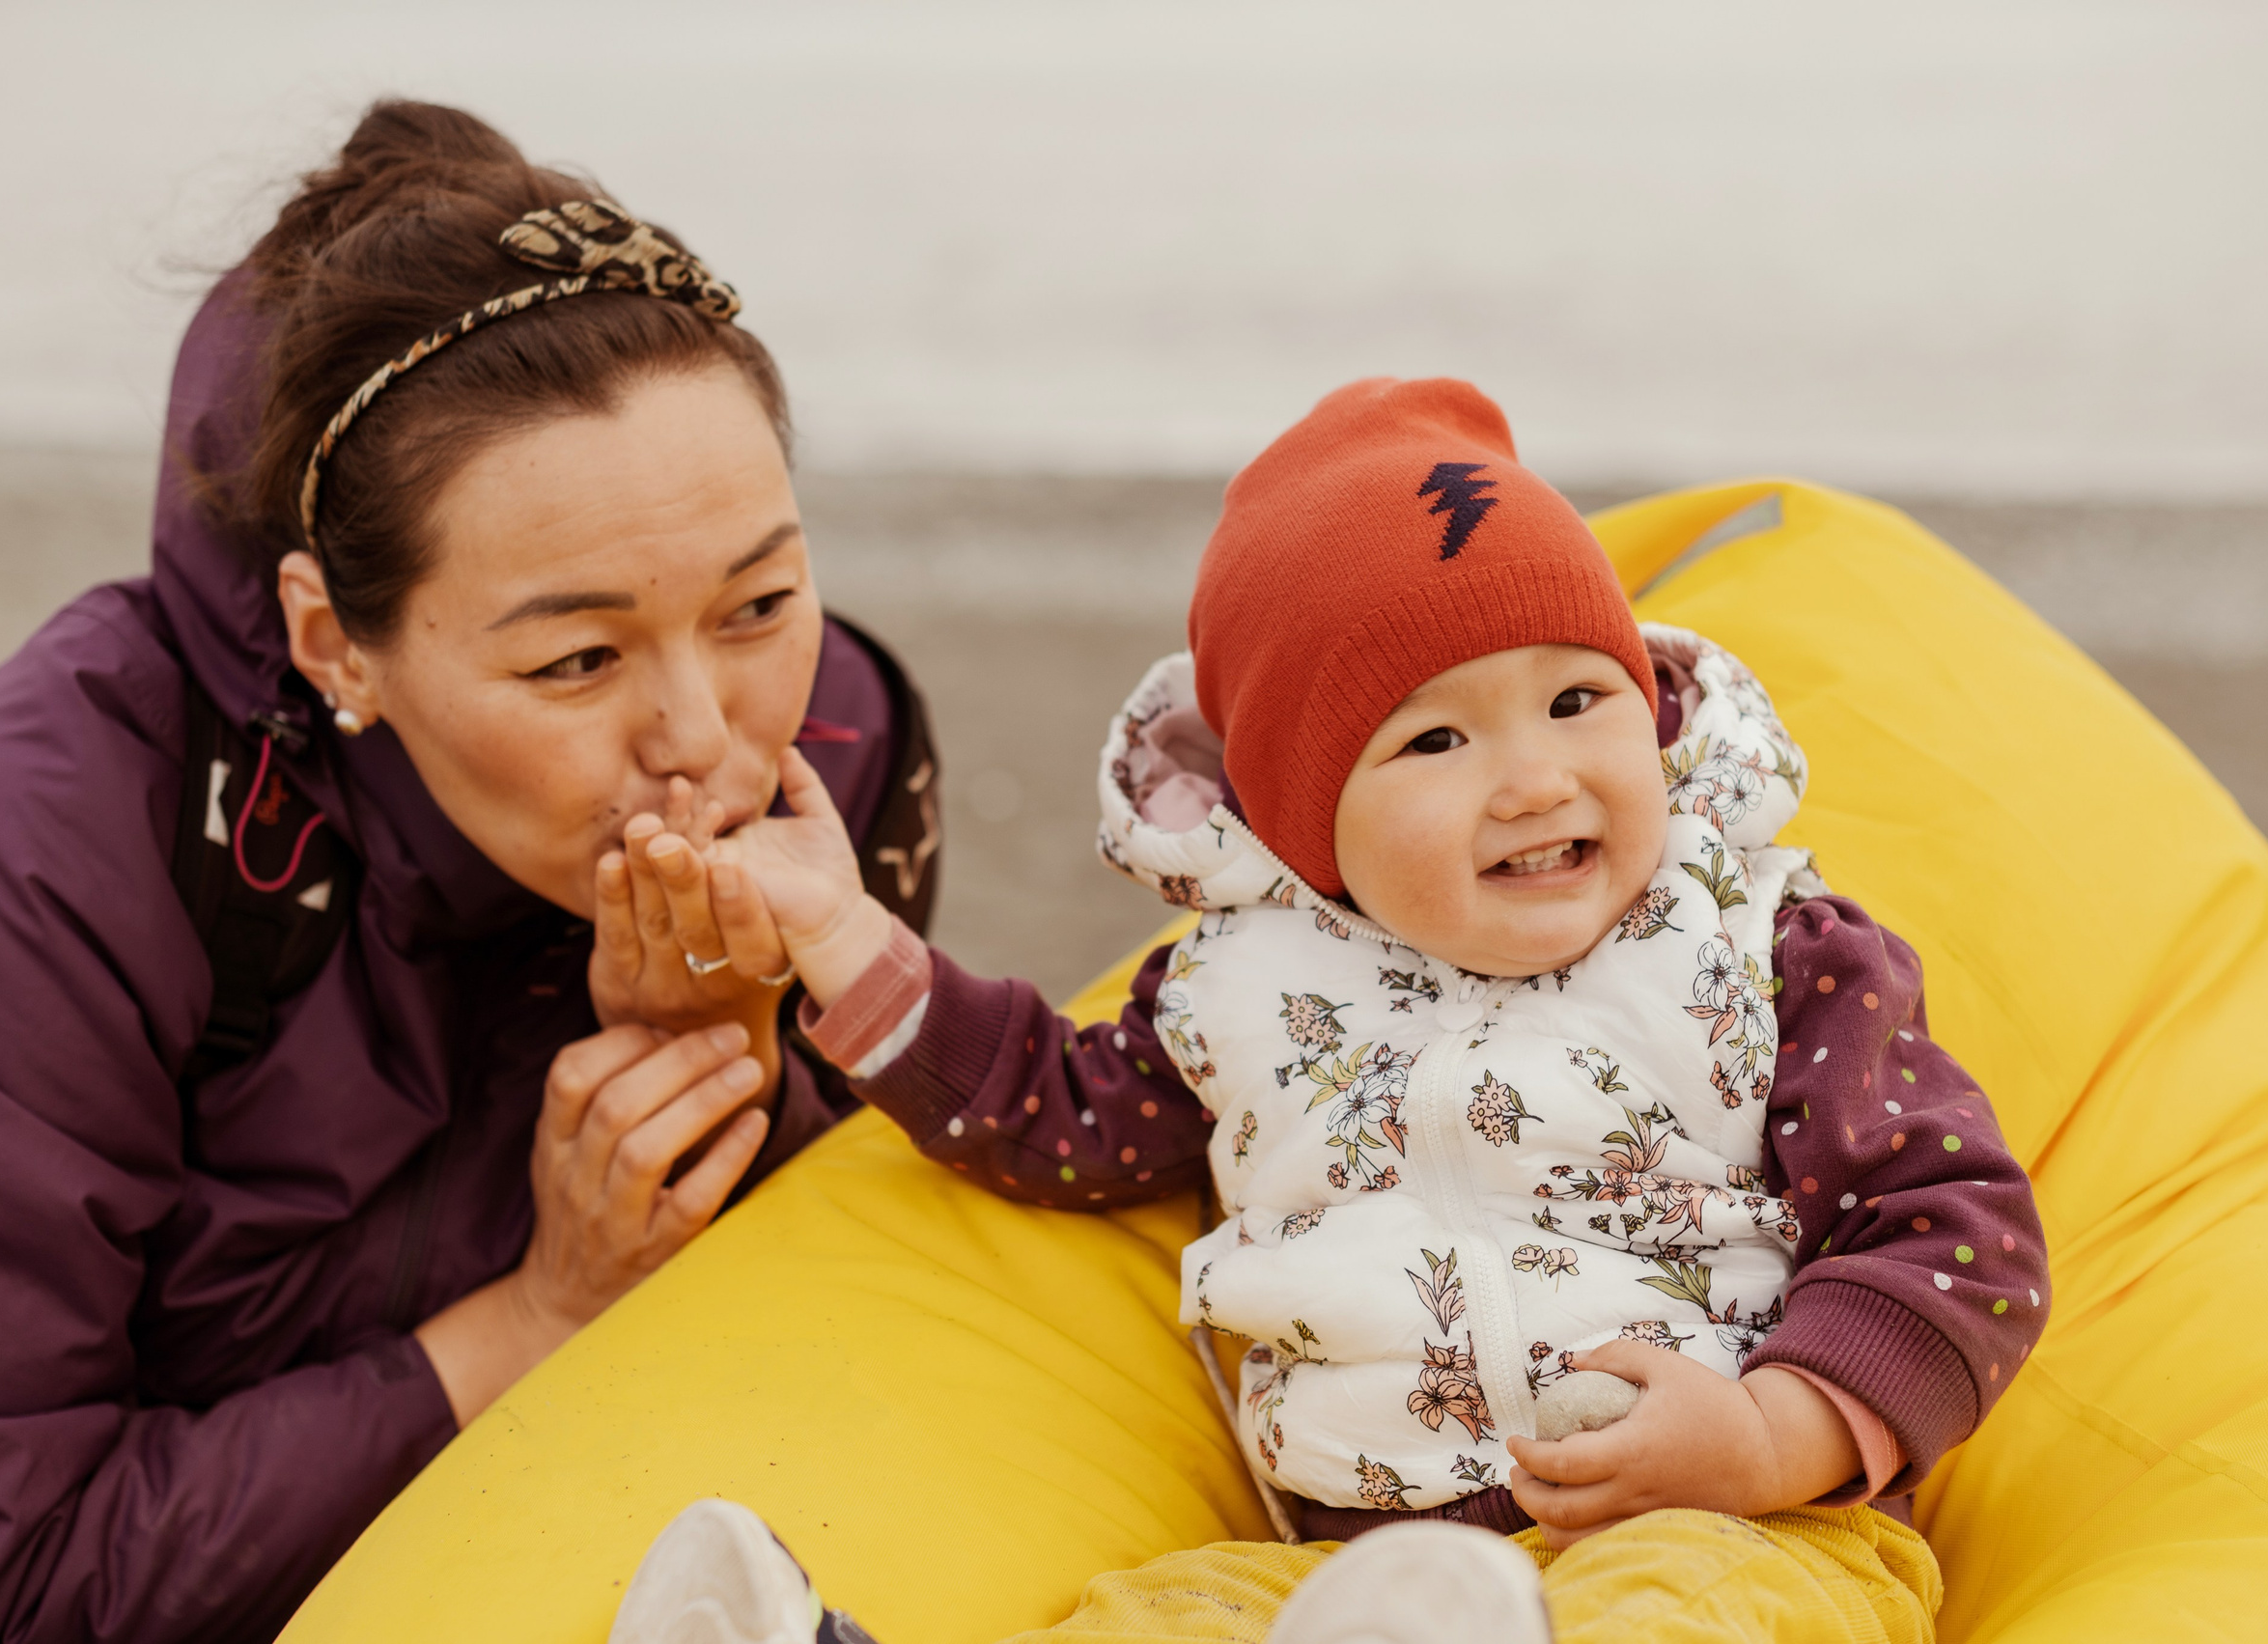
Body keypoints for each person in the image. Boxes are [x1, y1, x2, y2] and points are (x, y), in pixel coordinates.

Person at [612, 377, 2052, 1642]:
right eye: (1435, 738)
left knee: (1688, 1622)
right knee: (1156, 1619)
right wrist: (835, 925)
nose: (1537, 777)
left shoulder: (1762, 947)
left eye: (1576, 700)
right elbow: (1043, 1109)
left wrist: (1765, 1437)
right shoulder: (1243, 990)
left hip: (1732, 1528)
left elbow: (1954, 1231)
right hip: (1349, 1570)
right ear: (1306, 823)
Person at [0, 102, 942, 1643]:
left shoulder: (839, 743)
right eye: (579, 657)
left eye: (758, 603)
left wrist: (740, 1064)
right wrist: (544, 1315)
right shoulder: (64, 836)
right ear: (337, 641)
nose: (699, 738)